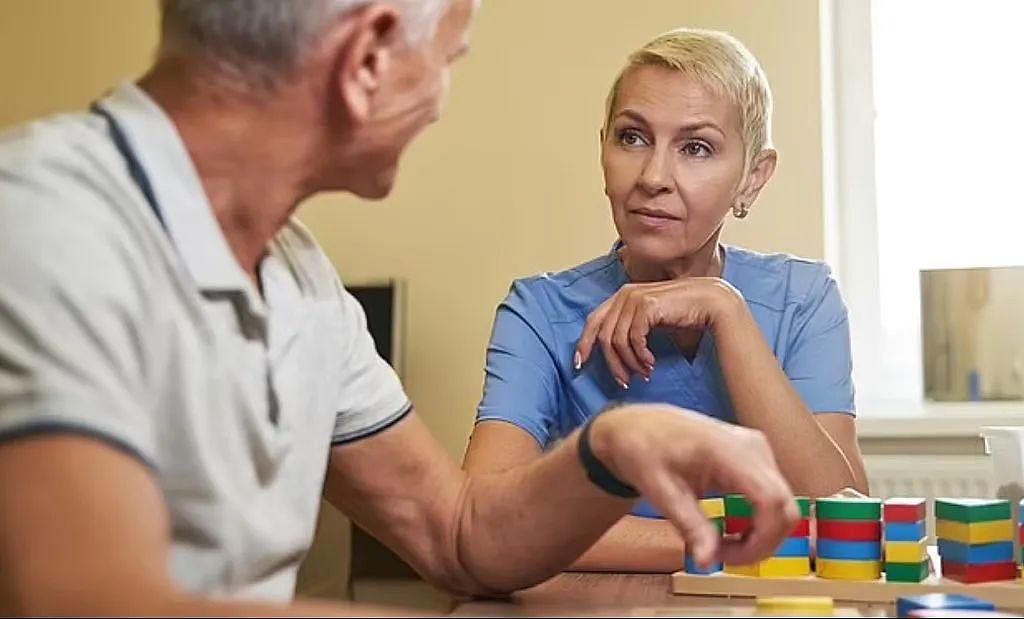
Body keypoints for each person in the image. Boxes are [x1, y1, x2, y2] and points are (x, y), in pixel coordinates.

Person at [0, 2, 800, 615]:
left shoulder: (298, 275)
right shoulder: (44, 221)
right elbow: (100, 604)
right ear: (368, 59)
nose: (441, 100)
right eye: (447, 59)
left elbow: (456, 532)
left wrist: (611, 447)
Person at [463, 27, 870, 574]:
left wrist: (726, 311)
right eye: (632, 138)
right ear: (602, 149)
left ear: (752, 178)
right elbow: (487, 521)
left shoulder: (804, 300)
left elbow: (844, 518)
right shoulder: (538, 313)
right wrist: (727, 547)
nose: (653, 177)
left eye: (696, 148)